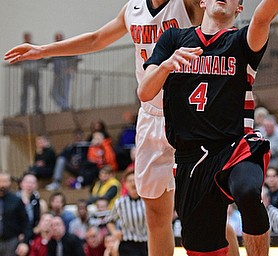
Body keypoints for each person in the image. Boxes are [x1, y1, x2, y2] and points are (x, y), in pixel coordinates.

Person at [3, 1, 240, 255]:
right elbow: (95, 40)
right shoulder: (132, 9)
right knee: (156, 217)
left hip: (189, 116)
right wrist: (42, 51)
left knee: (204, 212)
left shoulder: (187, 4)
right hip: (150, 117)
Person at [138, 0, 278, 254]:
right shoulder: (173, 39)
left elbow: (264, 15)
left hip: (234, 146)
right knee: (202, 248)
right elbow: (144, 92)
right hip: (190, 159)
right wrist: (166, 65)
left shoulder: (242, 42)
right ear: (203, 2)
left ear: (238, 9)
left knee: (248, 192)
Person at [107, 168, 148, 256]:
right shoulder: (120, 202)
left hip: (146, 243)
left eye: (135, 180)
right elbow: (110, 220)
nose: (133, 183)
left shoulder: (147, 201)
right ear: (125, 184)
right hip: (128, 244)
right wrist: (114, 232)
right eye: (130, 181)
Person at [0, 171, 30, 256]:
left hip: (11, 242)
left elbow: (26, 223)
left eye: (5, 181)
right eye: (0, 181)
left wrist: (25, 242)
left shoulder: (16, 201)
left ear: (10, 183)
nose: (2, 185)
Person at [50, 32, 79, 111]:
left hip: (65, 73)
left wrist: (71, 68)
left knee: (64, 92)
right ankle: (64, 106)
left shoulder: (66, 48)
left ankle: (65, 107)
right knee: (54, 93)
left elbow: (75, 57)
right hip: (57, 74)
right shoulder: (53, 49)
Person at [19, 32, 46, 115]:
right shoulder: (20, 49)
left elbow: (41, 58)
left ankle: (37, 108)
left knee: (37, 92)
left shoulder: (34, 48)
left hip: (35, 73)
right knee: (24, 93)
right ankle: (23, 110)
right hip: (26, 73)